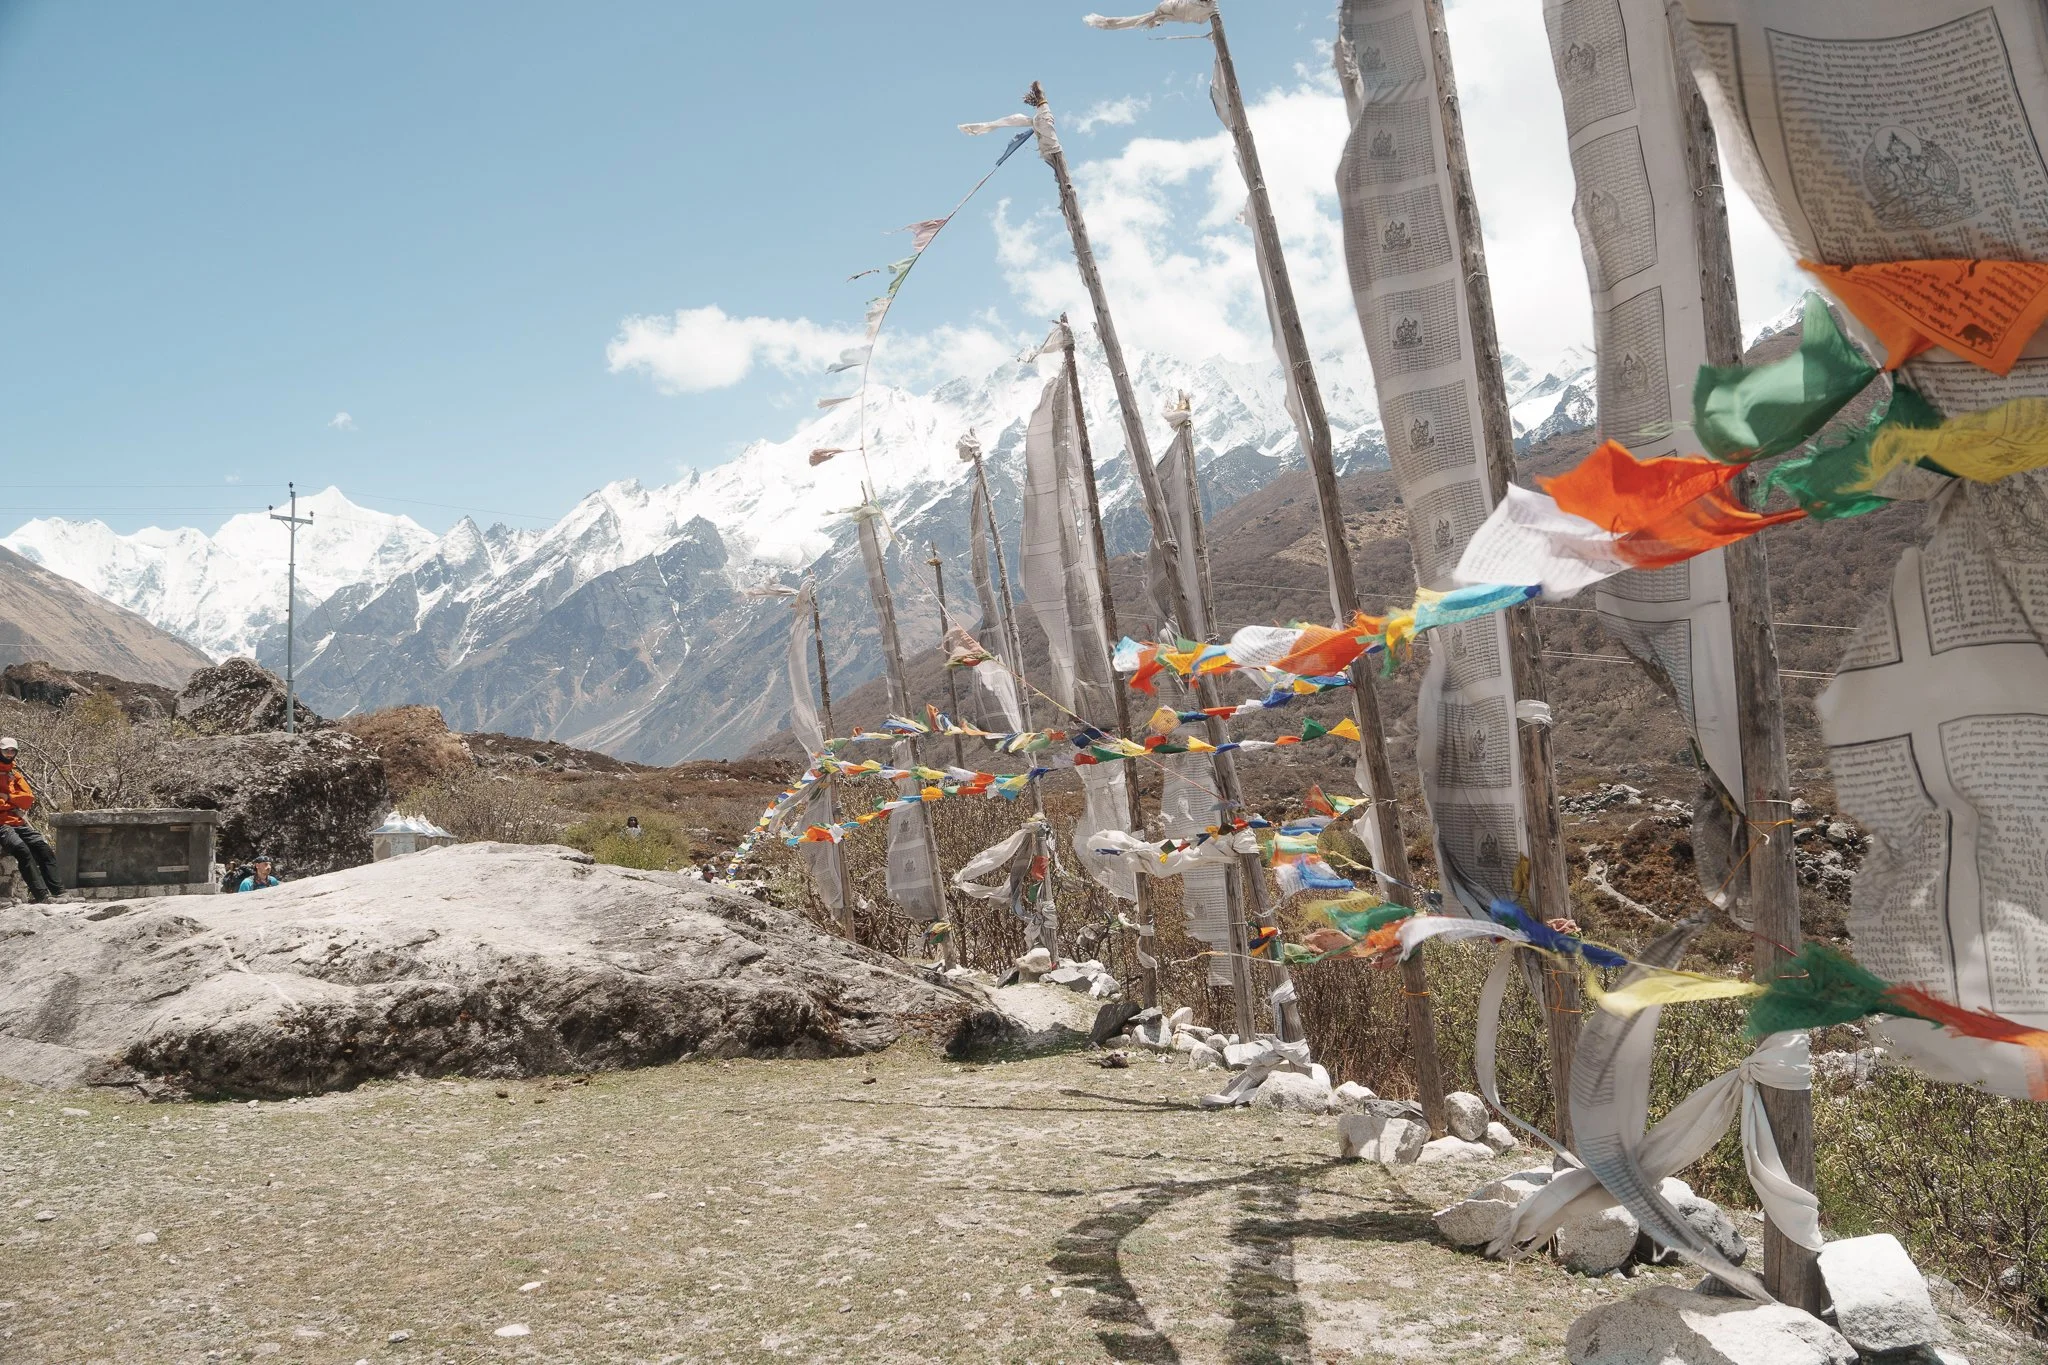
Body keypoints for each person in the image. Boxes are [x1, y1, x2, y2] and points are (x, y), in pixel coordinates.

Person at [0, 738, 62, 903]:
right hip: (2, 825)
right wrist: (13, 802)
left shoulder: (14, 774)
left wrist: (7, 797)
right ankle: (42, 896)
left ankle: (59, 893)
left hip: (17, 822)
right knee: (23, 851)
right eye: (6, 750)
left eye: (12, 751)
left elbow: (28, 799)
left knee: (44, 849)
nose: (9, 754)